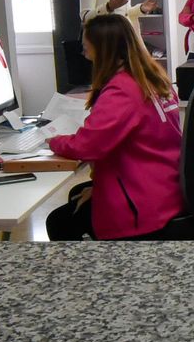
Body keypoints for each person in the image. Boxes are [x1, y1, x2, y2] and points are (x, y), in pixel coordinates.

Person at [45, 13, 184, 240]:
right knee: (77, 195)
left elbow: (87, 146)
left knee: (60, 222)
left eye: (87, 49)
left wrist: (54, 141)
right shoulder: (153, 78)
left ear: (104, 50)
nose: (85, 55)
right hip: (165, 184)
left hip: (142, 202)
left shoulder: (122, 90)